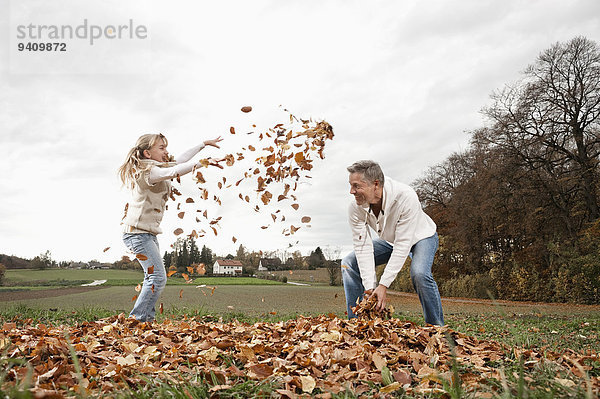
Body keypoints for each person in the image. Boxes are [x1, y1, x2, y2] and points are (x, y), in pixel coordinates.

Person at [118, 133, 223, 322]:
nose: (166, 151)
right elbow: (175, 171)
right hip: (136, 234)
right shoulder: (148, 172)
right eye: (161, 148)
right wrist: (203, 162)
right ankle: (136, 321)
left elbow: (179, 161)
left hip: (146, 234)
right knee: (157, 278)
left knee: (154, 278)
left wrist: (204, 144)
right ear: (147, 153)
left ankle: (145, 321)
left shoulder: (157, 167)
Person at [341, 160, 444, 325]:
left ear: (375, 184)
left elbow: (403, 245)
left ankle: (437, 328)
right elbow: (362, 246)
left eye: (356, 186)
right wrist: (369, 287)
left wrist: (383, 285)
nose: (351, 191)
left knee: (419, 273)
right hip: (392, 240)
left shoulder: (405, 197)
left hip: (421, 237)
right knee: (349, 263)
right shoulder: (355, 207)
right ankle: (357, 324)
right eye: (350, 185)